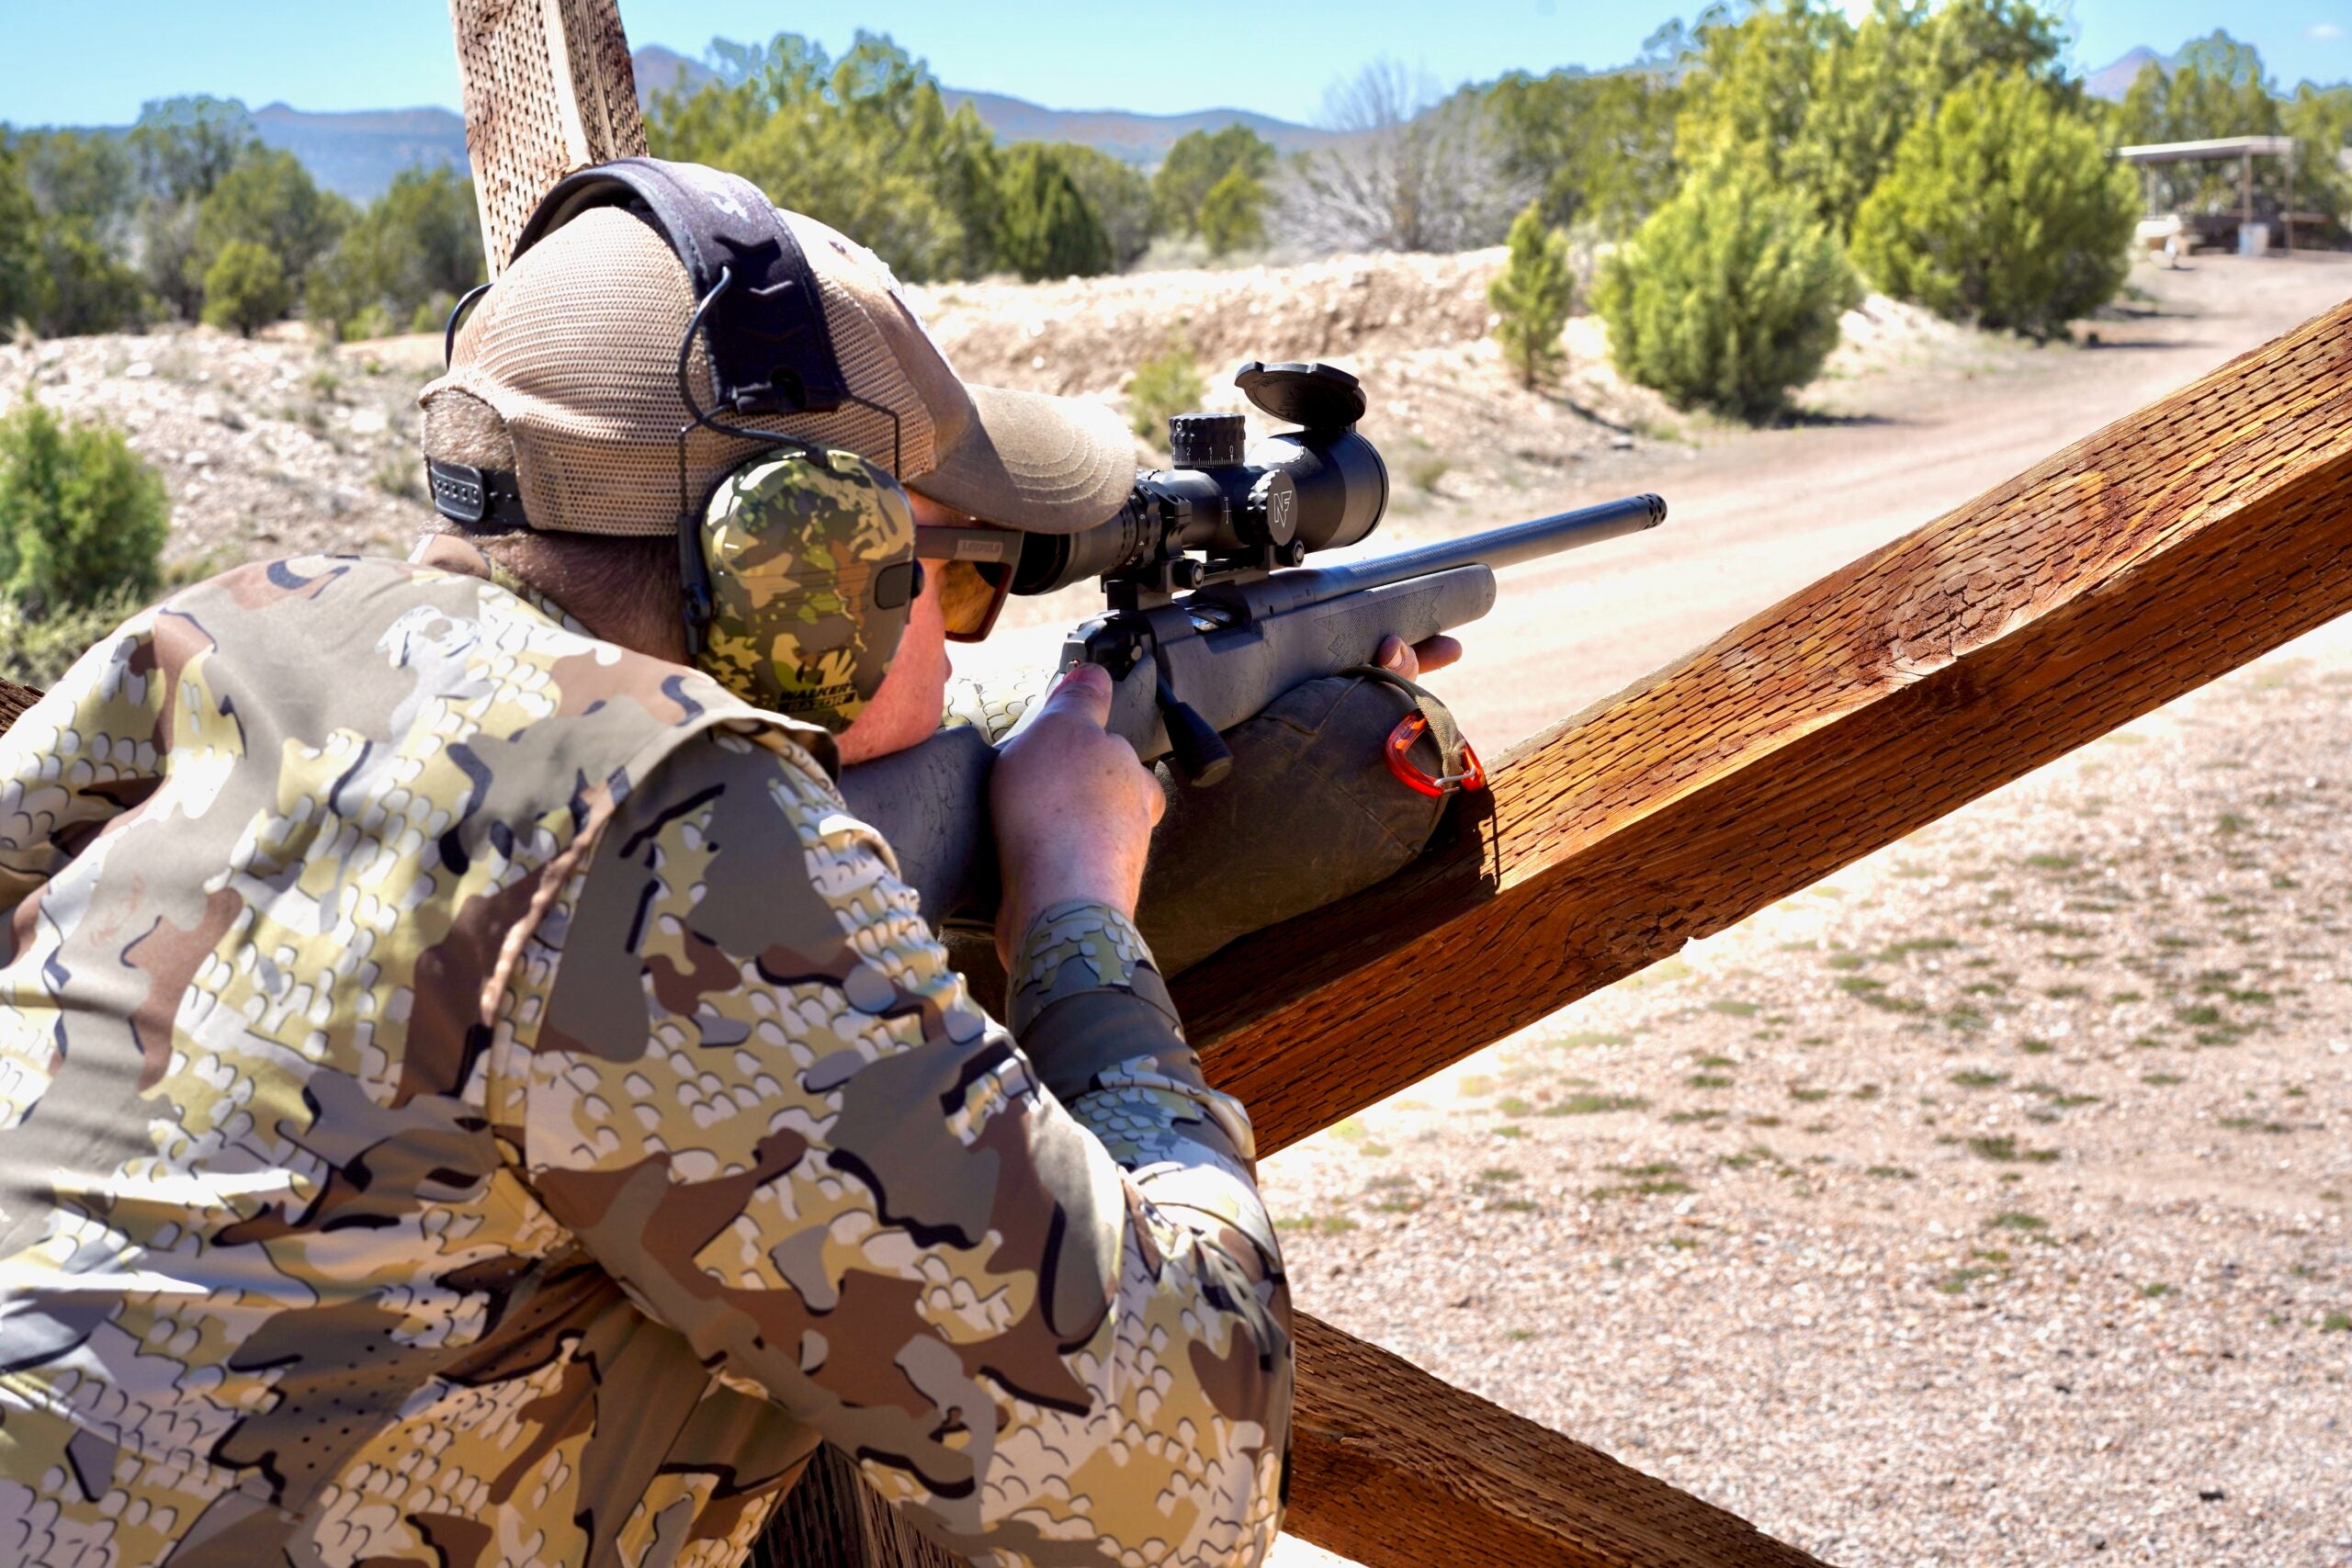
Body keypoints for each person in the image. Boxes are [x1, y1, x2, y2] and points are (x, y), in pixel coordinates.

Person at [0, 161, 1456, 1567]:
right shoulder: (676, 834)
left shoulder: (239, 631)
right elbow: (1188, 1486)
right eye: (944, 580)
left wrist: (1114, 716)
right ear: (797, 578)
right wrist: (1078, 897)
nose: (956, 650)